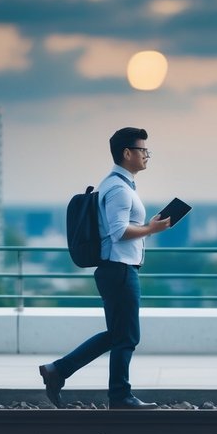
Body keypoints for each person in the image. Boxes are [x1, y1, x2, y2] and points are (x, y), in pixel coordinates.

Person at [39, 127, 171, 409]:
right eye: (143, 150)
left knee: (117, 334)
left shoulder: (119, 186)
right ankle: (120, 396)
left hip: (118, 269)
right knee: (128, 336)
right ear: (127, 153)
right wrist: (151, 228)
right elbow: (118, 232)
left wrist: (149, 225)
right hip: (119, 269)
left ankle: (58, 370)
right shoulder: (118, 190)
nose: (147, 156)